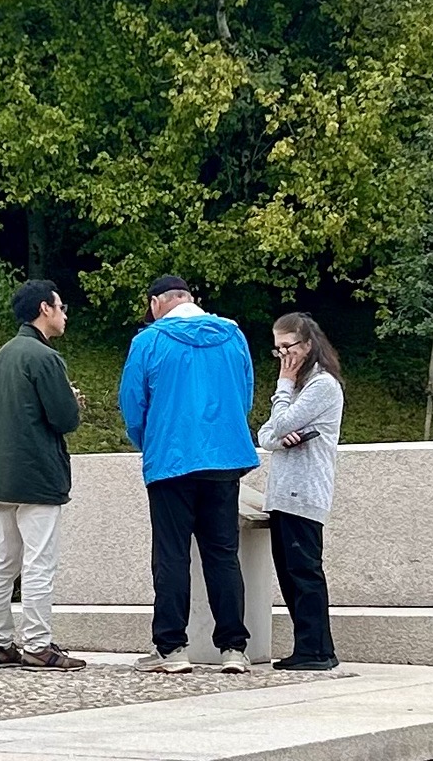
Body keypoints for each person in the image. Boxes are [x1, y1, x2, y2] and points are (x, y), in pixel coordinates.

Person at [119, 275, 260, 674]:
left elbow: (133, 403)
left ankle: (172, 648)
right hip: (225, 459)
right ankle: (234, 648)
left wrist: (149, 441)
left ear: (155, 303)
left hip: (171, 460)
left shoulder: (148, 342)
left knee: (171, 554)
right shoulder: (233, 335)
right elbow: (244, 394)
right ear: (190, 299)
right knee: (222, 554)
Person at [0, 279, 86, 672]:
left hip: (2, 474)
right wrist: (72, 399)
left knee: (2, 561)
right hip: (38, 473)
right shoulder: (44, 358)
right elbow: (64, 418)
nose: (64, 314)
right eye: (60, 307)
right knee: (39, 563)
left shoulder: (5, 354)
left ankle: (0, 642)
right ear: (45, 308)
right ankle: (39, 645)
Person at [257, 312, 344, 670]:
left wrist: (284, 384)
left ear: (308, 345)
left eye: (287, 347)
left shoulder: (321, 385)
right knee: (290, 574)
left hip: (303, 494)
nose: (283, 357)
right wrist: (279, 440)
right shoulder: (301, 389)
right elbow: (265, 435)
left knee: (305, 573)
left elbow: (280, 422)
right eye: (277, 350)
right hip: (283, 494)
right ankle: (308, 646)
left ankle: (318, 649)